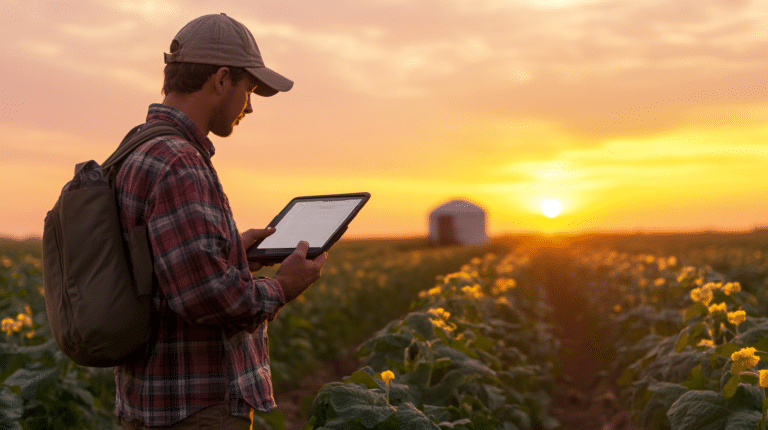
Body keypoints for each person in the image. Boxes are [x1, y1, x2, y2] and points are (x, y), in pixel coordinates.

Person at [114, 13, 327, 429]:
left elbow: (160, 276)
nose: (249, 106)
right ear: (222, 79)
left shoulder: (137, 148)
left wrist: (232, 254)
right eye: (248, 90)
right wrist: (283, 286)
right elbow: (207, 297)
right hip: (193, 408)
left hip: (150, 401)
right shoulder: (180, 162)